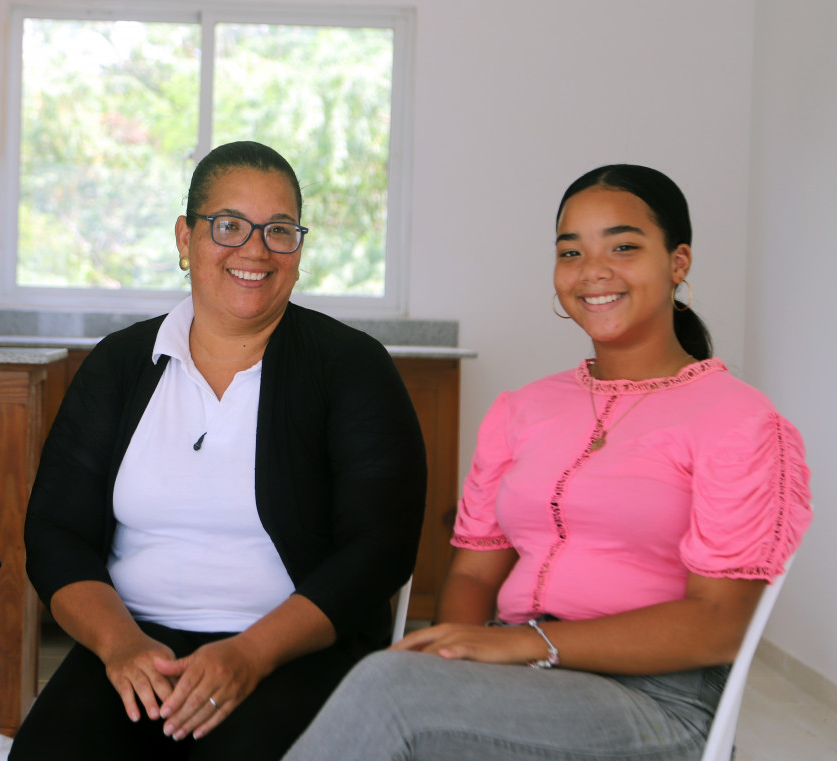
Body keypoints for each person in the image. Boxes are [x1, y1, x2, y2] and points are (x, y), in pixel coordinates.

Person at [282, 164, 813, 761]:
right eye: (571, 251)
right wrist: (460, 654)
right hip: (523, 677)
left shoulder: (738, 419)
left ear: (678, 263)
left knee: (390, 692)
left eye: (624, 247)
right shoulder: (524, 410)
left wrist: (527, 644)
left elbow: (718, 624)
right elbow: (473, 576)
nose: (593, 270)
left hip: (656, 702)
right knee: (394, 681)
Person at [9, 141, 428, 761]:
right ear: (186, 238)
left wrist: (250, 653)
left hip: (293, 651)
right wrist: (121, 645)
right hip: (133, 646)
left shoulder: (351, 368)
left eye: (279, 230)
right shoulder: (120, 364)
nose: (255, 250)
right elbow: (54, 532)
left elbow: (379, 549)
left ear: (298, 248)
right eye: (229, 225)